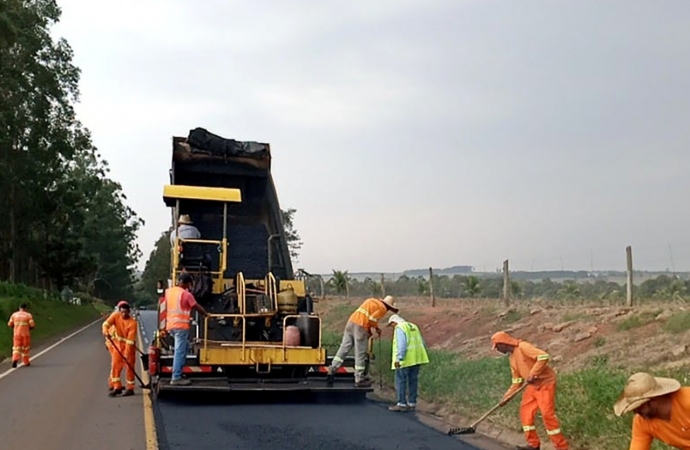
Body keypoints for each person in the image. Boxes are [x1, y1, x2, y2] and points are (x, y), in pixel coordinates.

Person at [491, 331, 569, 450]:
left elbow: (543, 356)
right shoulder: (512, 359)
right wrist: (506, 398)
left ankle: (561, 447)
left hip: (545, 384)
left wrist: (533, 373)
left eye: (497, 346)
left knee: (547, 415)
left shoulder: (523, 347)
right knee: (525, 414)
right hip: (532, 387)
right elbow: (517, 381)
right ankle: (533, 444)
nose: (497, 349)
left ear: (503, 343)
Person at [327, 295, 398, 387]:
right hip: (360, 327)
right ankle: (359, 379)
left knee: (344, 348)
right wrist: (374, 328)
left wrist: (374, 328)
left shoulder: (371, 301)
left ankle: (332, 369)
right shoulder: (382, 308)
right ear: (389, 306)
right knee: (360, 353)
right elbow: (372, 319)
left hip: (351, 323)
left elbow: (366, 316)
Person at [613, 372, 690, 449]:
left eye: (639, 407)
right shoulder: (641, 423)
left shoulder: (687, 400)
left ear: (653, 400)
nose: (636, 411)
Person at [163, 272, 210, 385]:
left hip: (171, 326)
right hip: (180, 327)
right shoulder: (186, 294)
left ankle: (178, 372)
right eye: (189, 283)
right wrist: (206, 314)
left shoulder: (169, 292)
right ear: (187, 283)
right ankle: (176, 377)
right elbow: (196, 306)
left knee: (183, 348)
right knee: (180, 351)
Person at [387, 314, 429, 412]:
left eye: (391, 326)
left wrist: (399, 359)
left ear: (394, 322)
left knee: (400, 381)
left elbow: (402, 344)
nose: (392, 328)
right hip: (416, 359)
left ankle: (401, 403)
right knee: (413, 381)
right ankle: (412, 402)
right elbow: (422, 342)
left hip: (405, 360)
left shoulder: (400, 328)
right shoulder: (413, 326)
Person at [102, 300, 138, 397]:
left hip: (128, 348)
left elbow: (130, 342)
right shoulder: (115, 316)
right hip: (117, 345)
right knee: (115, 366)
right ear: (119, 311)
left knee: (129, 368)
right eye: (122, 312)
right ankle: (117, 387)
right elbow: (106, 324)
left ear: (128, 312)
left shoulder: (132, 323)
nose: (123, 314)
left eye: (125, 312)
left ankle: (130, 388)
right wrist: (105, 332)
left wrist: (126, 354)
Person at [8, 303, 35, 368]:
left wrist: (16, 327)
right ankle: (26, 362)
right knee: (25, 348)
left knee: (16, 348)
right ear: (25, 308)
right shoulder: (28, 315)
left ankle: (15, 359)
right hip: (26, 334)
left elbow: (10, 324)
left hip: (16, 334)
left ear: (19, 308)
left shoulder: (14, 315)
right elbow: (32, 325)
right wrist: (29, 329)